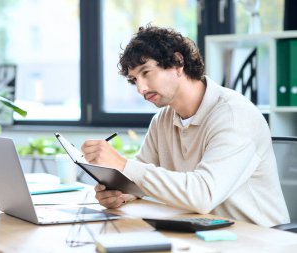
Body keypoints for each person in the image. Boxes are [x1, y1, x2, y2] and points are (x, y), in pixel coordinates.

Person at [81, 25, 290, 227]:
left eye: (146, 73)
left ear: (178, 62)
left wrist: (123, 164)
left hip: (259, 239)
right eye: (134, 80)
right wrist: (122, 193)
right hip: (202, 232)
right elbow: (138, 181)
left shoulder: (234, 115)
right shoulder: (162, 120)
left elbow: (204, 195)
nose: (141, 89)